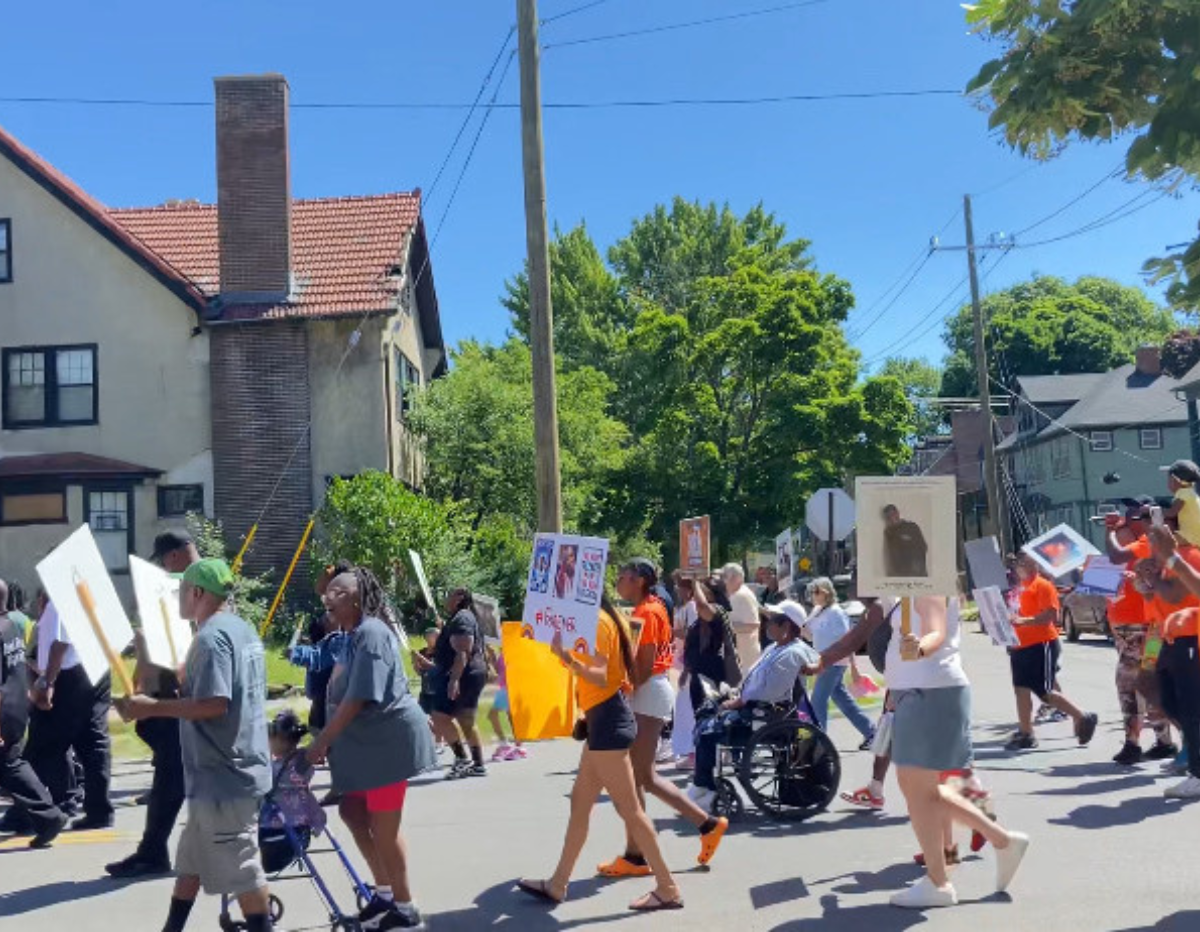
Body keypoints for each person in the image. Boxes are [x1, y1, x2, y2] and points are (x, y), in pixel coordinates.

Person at [117, 558, 273, 932]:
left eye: (181, 591)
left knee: (242, 868)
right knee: (192, 860)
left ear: (198, 592)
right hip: (230, 769)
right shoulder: (241, 629)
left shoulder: (210, 638)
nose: (177, 599)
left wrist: (151, 707)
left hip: (225, 775)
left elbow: (216, 704)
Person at [517, 596, 683, 912]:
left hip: (608, 724)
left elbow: (601, 674)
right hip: (604, 721)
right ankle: (558, 884)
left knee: (631, 811)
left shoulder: (596, 622)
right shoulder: (611, 618)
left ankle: (668, 887)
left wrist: (565, 656)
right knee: (580, 805)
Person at [306, 567, 436, 930]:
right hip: (369, 747)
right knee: (351, 810)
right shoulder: (350, 635)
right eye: (326, 592)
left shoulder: (372, 633)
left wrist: (322, 741)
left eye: (338, 592)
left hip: (389, 745)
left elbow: (360, 696)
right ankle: (384, 894)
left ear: (358, 598)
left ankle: (405, 909)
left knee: (384, 827)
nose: (328, 598)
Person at [886, 596, 1029, 910]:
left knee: (921, 793)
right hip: (921, 692)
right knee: (926, 790)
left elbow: (935, 630)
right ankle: (999, 841)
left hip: (930, 693)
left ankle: (939, 882)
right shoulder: (906, 589)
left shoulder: (927, 584)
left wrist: (920, 647)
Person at [597, 560, 728, 878]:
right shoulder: (649, 607)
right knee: (642, 777)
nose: (618, 582)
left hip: (648, 691)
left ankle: (638, 854)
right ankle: (699, 827)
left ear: (640, 581)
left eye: (623, 577)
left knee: (636, 776)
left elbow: (643, 663)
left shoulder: (647, 611)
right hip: (651, 691)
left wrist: (624, 693)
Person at [105, 531, 201, 879]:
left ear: (174, 556)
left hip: (182, 700)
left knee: (173, 779)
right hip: (176, 698)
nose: (162, 566)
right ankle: (154, 850)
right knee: (171, 779)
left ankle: (156, 852)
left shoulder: (191, 589)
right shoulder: (196, 585)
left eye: (163, 558)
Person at [688, 600, 817, 805]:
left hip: (768, 716)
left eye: (772, 620)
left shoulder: (792, 653)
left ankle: (704, 786)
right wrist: (734, 693)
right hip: (757, 709)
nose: (767, 624)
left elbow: (770, 692)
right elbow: (755, 681)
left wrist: (739, 701)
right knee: (706, 714)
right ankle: (704, 784)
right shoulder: (775, 648)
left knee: (710, 732)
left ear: (786, 626)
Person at [25, 598, 115, 830]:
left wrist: (47, 681)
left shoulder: (63, 599)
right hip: (96, 667)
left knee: (43, 745)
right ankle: (98, 810)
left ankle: (37, 812)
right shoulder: (93, 593)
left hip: (70, 674)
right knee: (92, 741)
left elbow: (60, 643)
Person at [1104, 503, 1177, 764]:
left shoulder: (1147, 544)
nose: (1126, 525)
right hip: (1131, 628)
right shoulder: (1146, 546)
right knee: (1147, 683)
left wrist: (1110, 530)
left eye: (1133, 519)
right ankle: (1163, 740)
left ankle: (1134, 742)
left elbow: (1117, 555)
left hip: (1144, 627)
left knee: (1128, 682)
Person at [1005, 553, 1098, 751]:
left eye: (1023, 561)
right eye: (1017, 563)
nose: (1018, 566)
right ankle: (1026, 733)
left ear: (1034, 564)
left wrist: (1024, 621)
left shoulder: (1042, 585)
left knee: (1044, 690)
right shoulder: (1018, 590)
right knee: (1020, 689)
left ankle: (1082, 716)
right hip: (1019, 645)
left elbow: (1050, 614)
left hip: (1042, 644)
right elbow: (1013, 614)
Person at [0, 579, 66, 848]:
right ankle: (45, 815)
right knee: (11, 764)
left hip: (3, 711)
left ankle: (48, 816)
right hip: (16, 706)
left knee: (10, 766)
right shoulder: (11, 627)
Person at [1141, 526, 1200, 797]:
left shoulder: (1188, 555)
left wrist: (1165, 564)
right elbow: (1156, 600)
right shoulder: (1163, 561)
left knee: (1189, 707)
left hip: (1187, 637)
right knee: (1153, 689)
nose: (1150, 542)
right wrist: (1145, 582)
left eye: (1156, 536)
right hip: (1159, 634)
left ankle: (1193, 760)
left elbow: (1176, 596)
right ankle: (1190, 746)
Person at [803, 577, 875, 750]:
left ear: (826, 592)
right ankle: (872, 733)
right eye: (812, 592)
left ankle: (820, 742)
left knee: (818, 700)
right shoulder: (818, 610)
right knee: (843, 700)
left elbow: (847, 639)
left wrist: (854, 666)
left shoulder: (836, 612)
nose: (813, 595)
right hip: (823, 660)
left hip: (834, 661)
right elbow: (809, 634)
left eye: (816, 591)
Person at [429, 588, 489, 779]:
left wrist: (454, 680)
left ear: (460, 598)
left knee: (439, 717)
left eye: (450, 595)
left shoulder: (462, 618)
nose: (446, 598)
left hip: (465, 674)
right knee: (465, 719)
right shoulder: (461, 617)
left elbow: (463, 651)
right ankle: (478, 764)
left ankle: (462, 759)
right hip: (470, 673)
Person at [487, 645, 527, 762]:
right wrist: (492, 657)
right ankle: (507, 744)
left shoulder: (517, 651)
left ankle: (519, 747)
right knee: (503, 717)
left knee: (511, 717)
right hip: (504, 688)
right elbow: (498, 671)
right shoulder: (503, 651)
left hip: (513, 688)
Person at [722, 563, 761, 672]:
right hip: (739, 658)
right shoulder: (736, 595)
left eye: (725, 577)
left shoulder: (742, 595)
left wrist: (724, 627)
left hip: (745, 658)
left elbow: (753, 625)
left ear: (735, 578)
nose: (723, 581)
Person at [882, 505, 929, 577]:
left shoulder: (911, 526)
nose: (891, 517)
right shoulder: (888, 532)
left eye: (893, 514)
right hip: (898, 575)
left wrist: (907, 541)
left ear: (898, 513)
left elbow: (923, 547)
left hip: (916, 572)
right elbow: (891, 554)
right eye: (888, 516)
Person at [1163, 458, 1200, 546]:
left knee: (1162, 543)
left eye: (1168, 479)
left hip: (1189, 536)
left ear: (1174, 479)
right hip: (1195, 535)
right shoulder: (1191, 492)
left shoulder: (1182, 493)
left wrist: (1153, 511)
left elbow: (1172, 513)